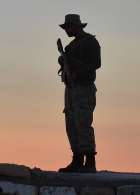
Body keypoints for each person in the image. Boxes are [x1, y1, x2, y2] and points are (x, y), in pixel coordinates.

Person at [56, 14, 101, 174]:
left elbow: (96, 62)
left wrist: (78, 73)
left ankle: (90, 161)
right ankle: (77, 159)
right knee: (71, 125)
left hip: (83, 87)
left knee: (83, 123)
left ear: (76, 26)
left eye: (68, 27)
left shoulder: (90, 41)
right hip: (70, 88)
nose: (67, 30)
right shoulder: (71, 45)